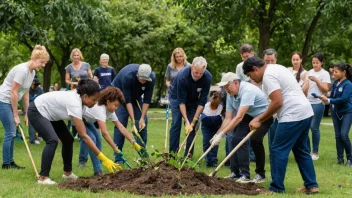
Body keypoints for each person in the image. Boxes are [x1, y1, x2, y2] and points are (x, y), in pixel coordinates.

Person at [242, 56, 318, 194]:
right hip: (305, 112)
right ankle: (312, 186)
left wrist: (259, 119)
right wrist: (262, 118)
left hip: (292, 115)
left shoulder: (268, 76)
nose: (252, 78)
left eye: (250, 75)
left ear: (255, 69)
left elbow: (277, 102)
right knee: (301, 150)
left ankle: (276, 188)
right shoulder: (277, 68)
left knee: (277, 150)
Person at [27, 79, 120, 185]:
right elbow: (83, 136)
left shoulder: (82, 101)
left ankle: (67, 173)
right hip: (37, 110)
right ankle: (43, 178)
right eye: (94, 100)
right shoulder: (75, 103)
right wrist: (103, 158)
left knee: (68, 139)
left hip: (51, 114)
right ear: (85, 96)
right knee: (52, 140)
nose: (95, 103)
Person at [210, 72, 273, 183]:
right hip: (249, 115)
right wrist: (218, 134)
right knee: (235, 139)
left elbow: (238, 118)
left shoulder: (247, 91)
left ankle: (260, 174)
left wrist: (222, 134)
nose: (226, 89)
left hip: (264, 115)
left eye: (227, 86)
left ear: (235, 83)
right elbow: (228, 118)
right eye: (224, 87)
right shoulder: (230, 94)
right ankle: (236, 173)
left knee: (255, 140)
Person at [0, 45, 49, 169]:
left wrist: (27, 113)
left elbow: (25, 94)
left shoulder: (32, 73)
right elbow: (14, 93)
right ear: (34, 58)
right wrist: (16, 115)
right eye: (42, 62)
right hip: (3, 100)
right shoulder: (22, 70)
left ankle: (10, 162)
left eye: (45, 63)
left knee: (11, 132)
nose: (43, 65)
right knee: (11, 132)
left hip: (11, 101)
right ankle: (6, 163)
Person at [81, 87, 143, 176]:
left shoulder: (110, 111)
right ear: (108, 102)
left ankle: (98, 169)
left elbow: (120, 127)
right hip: (79, 120)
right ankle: (98, 171)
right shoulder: (100, 109)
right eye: (116, 105)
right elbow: (104, 133)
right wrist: (115, 148)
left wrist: (133, 142)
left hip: (88, 121)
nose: (116, 108)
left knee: (97, 138)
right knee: (93, 139)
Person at [111, 64, 155, 163]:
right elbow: (128, 100)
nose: (143, 81)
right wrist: (132, 120)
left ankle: (143, 156)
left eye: (145, 79)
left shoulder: (151, 79)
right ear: (137, 74)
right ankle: (118, 158)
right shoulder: (128, 76)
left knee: (142, 125)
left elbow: (147, 100)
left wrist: (142, 118)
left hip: (135, 96)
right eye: (141, 78)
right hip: (119, 94)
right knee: (120, 124)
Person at [169, 56, 212, 157]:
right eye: (196, 72)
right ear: (192, 67)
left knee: (193, 126)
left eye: (201, 73)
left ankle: (188, 154)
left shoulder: (207, 77)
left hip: (193, 100)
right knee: (176, 123)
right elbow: (181, 101)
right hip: (177, 98)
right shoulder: (182, 76)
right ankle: (172, 154)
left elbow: (202, 101)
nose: (198, 75)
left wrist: (193, 120)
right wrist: (187, 121)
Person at [318, 63, 352, 166]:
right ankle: (340, 158)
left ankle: (350, 158)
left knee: (343, 135)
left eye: (336, 72)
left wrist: (328, 99)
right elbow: (332, 95)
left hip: (347, 112)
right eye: (333, 71)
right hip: (335, 112)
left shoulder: (348, 84)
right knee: (338, 136)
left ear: (344, 72)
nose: (334, 73)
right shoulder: (336, 83)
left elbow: (343, 99)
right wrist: (324, 96)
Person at [307, 53, 331, 160]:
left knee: (314, 127)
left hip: (318, 102)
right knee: (305, 127)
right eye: (313, 62)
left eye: (317, 63)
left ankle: (315, 152)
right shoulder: (309, 72)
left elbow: (325, 90)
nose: (315, 64)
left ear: (322, 63)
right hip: (307, 102)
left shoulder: (325, 74)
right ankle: (306, 151)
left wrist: (317, 80)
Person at [200, 91, 223, 167]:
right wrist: (214, 119)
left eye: (218, 103)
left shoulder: (220, 107)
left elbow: (217, 119)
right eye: (215, 102)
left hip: (215, 127)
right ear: (212, 98)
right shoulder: (206, 106)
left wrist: (209, 119)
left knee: (214, 143)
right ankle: (208, 160)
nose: (216, 104)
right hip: (206, 127)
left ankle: (213, 161)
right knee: (206, 142)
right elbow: (204, 119)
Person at [28, 76, 44, 145]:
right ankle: (32, 140)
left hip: (39, 109)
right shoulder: (28, 90)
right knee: (31, 125)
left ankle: (39, 136)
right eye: (34, 82)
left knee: (39, 124)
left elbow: (42, 100)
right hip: (31, 109)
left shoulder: (40, 90)